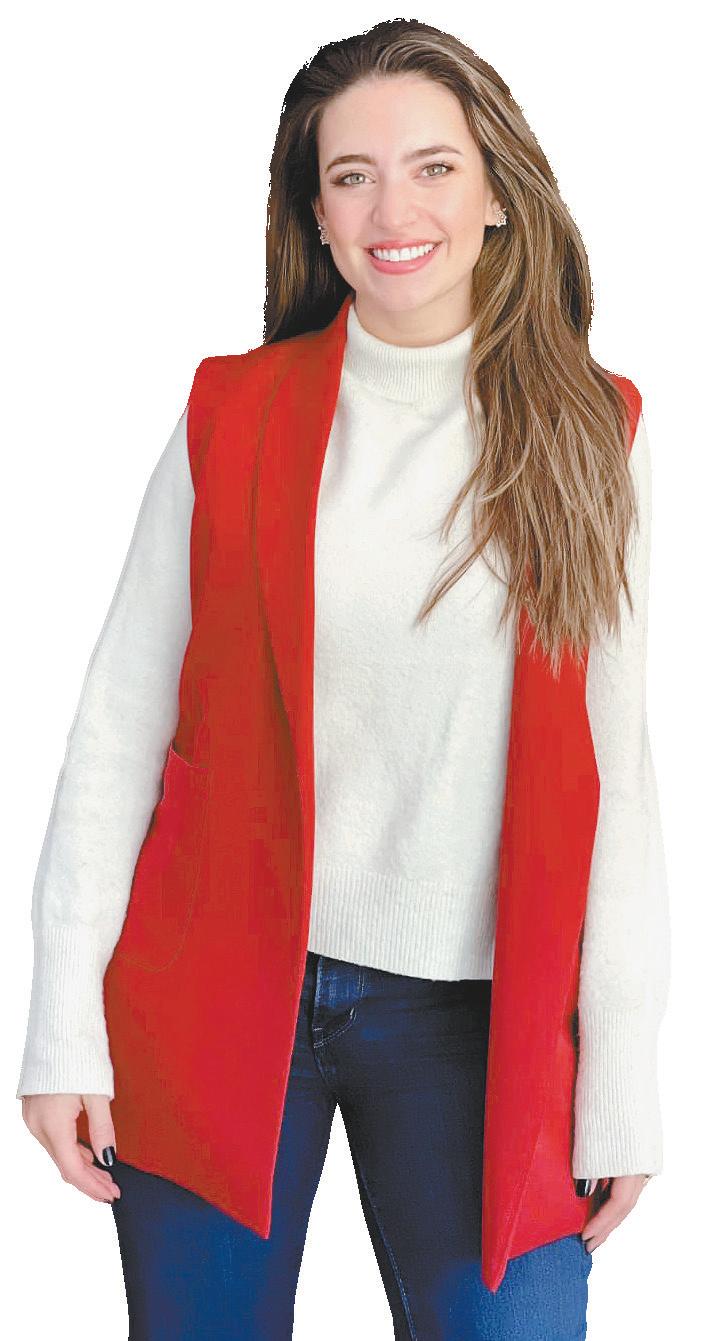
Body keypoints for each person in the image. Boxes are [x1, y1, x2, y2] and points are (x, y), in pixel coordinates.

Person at [17, 18, 670, 1339]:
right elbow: (120, 728)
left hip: (476, 1025)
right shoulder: (230, 413)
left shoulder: (592, 431)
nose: (393, 210)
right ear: (315, 214)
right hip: (218, 990)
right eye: (352, 176)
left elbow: (617, 772)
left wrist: (622, 1083)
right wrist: (62, 1026)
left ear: (498, 193)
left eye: (433, 167)